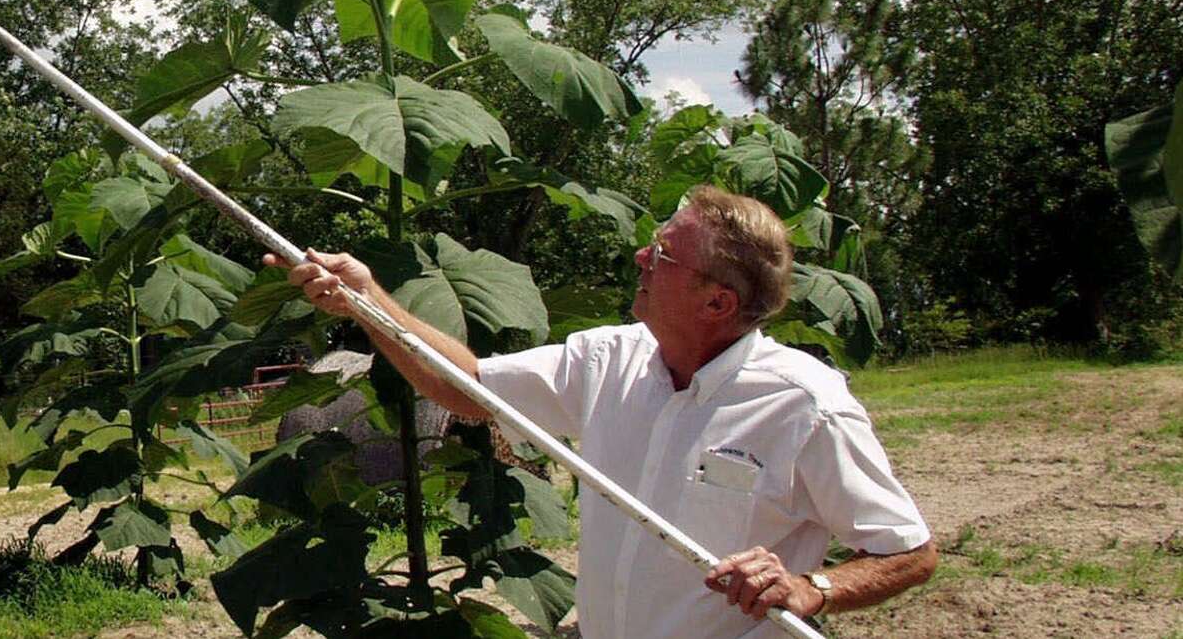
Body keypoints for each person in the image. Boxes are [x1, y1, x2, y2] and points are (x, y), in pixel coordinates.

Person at [268, 185, 936, 639]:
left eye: (667, 254)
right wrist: (366, 299)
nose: (642, 256)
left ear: (718, 303)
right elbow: (466, 387)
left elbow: (909, 550)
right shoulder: (605, 361)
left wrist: (812, 586)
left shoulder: (804, 404)